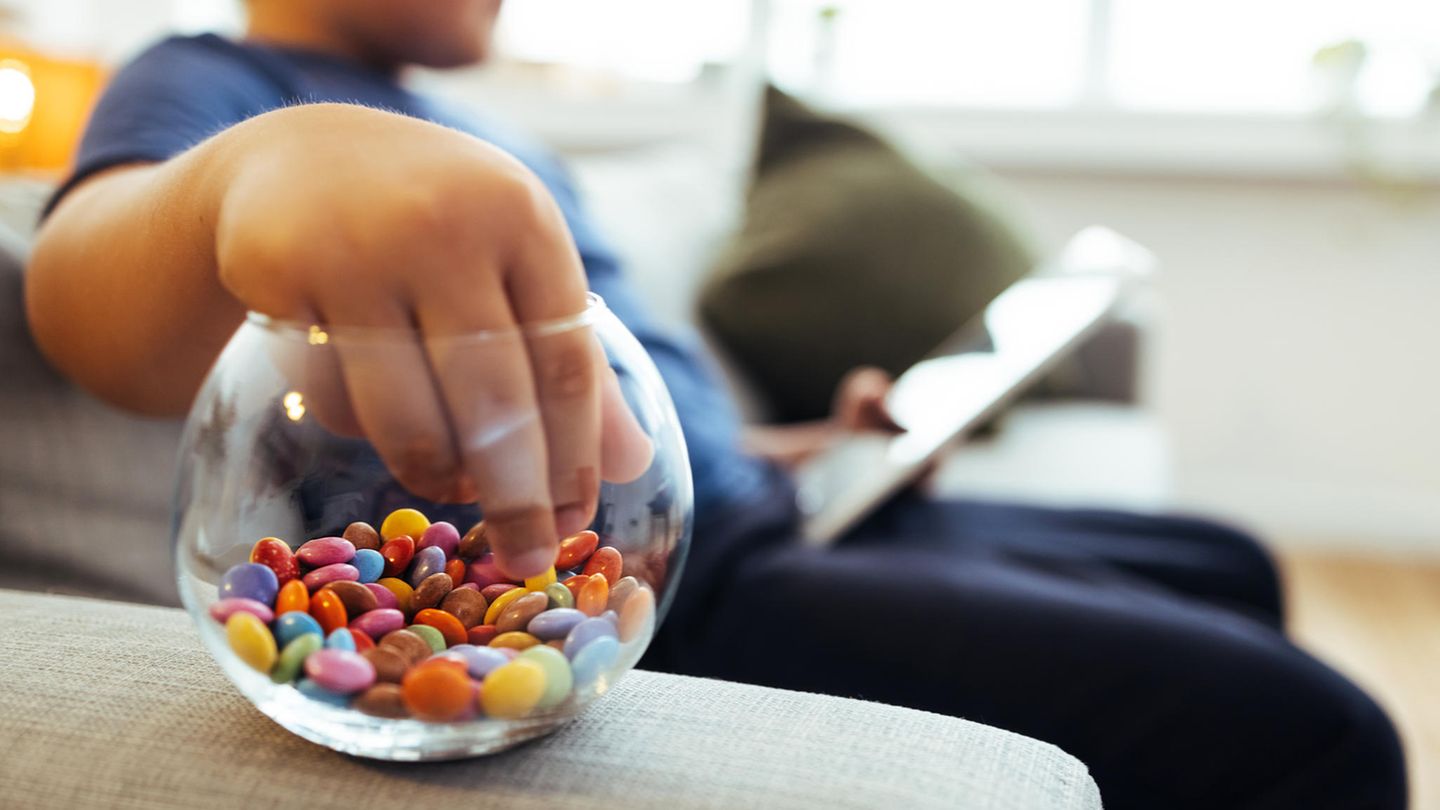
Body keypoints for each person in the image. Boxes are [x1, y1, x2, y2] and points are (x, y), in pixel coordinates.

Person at [25, 2, 1406, 807]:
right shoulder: (216, 80)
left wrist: (812, 442)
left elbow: (629, 405)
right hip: (669, 589)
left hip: (776, 500)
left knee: (1232, 559)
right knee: (1329, 731)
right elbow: (85, 301)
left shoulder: (511, 133)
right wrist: (256, 169)